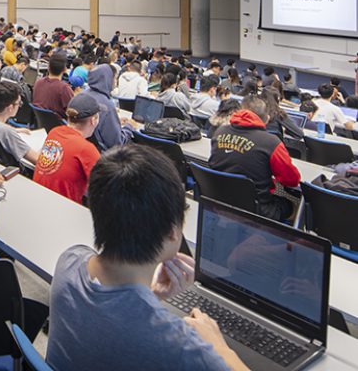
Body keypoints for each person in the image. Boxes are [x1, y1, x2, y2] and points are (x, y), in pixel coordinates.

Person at [47, 144, 248, 371]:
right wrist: (219, 346)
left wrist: (151, 298)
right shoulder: (181, 345)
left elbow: (110, 320)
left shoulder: (70, 260)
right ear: (173, 231)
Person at [209, 95, 300, 221]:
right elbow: (292, 180)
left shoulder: (219, 132)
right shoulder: (272, 143)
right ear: (267, 119)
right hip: (258, 209)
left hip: (219, 200)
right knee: (296, 207)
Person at [33, 91, 101, 204]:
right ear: (93, 121)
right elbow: (106, 187)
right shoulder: (86, 149)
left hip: (38, 199)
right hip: (62, 209)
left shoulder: (54, 132)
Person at [0, 80, 40, 167]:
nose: (19, 106)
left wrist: (15, 130)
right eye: (19, 103)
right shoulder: (7, 132)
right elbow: (37, 159)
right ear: (10, 107)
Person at [87, 64, 134, 151]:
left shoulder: (83, 94)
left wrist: (116, 122)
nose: (115, 82)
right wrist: (129, 126)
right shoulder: (107, 106)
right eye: (115, 78)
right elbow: (117, 142)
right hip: (104, 156)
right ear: (108, 79)